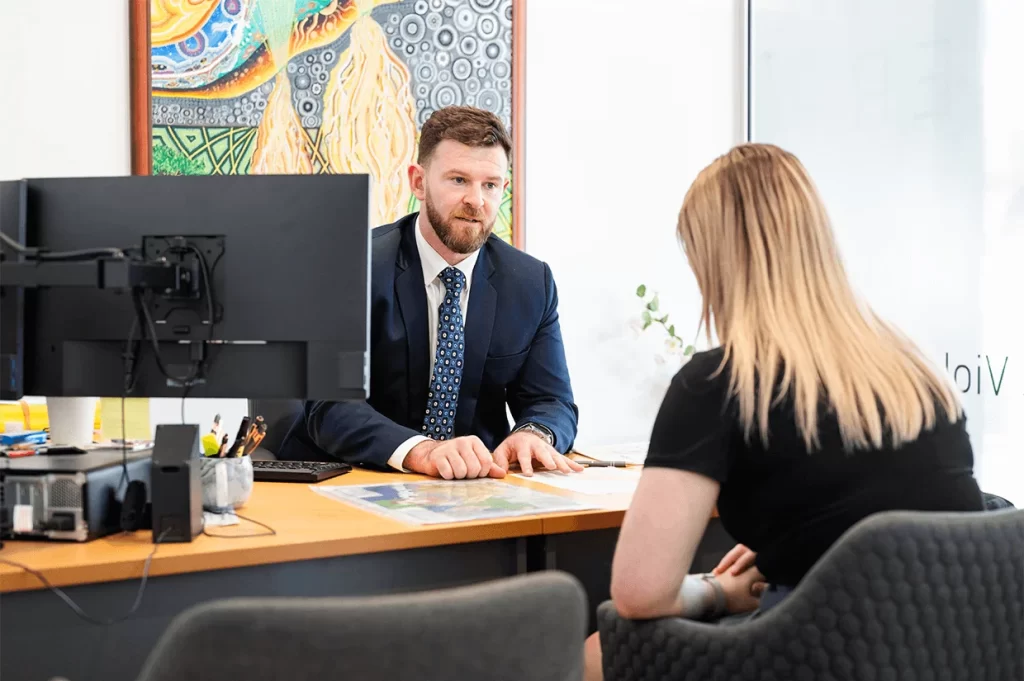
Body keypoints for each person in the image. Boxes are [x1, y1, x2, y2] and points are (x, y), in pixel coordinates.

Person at [583, 143, 984, 680]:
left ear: (718, 263)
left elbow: (638, 593)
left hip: (818, 658)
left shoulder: (721, 382)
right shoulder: (917, 375)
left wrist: (719, 593)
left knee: (595, 649)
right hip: (962, 654)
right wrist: (798, 540)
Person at [278, 106, 582, 479]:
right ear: (418, 182)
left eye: (490, 185)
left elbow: (551, 401)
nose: (476, 200)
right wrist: (422, 451)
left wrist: (534, 433)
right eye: (458, 180)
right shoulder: (352, 266)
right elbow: (331, 407)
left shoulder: (530, 282)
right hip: (354, 479)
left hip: (475, 491)